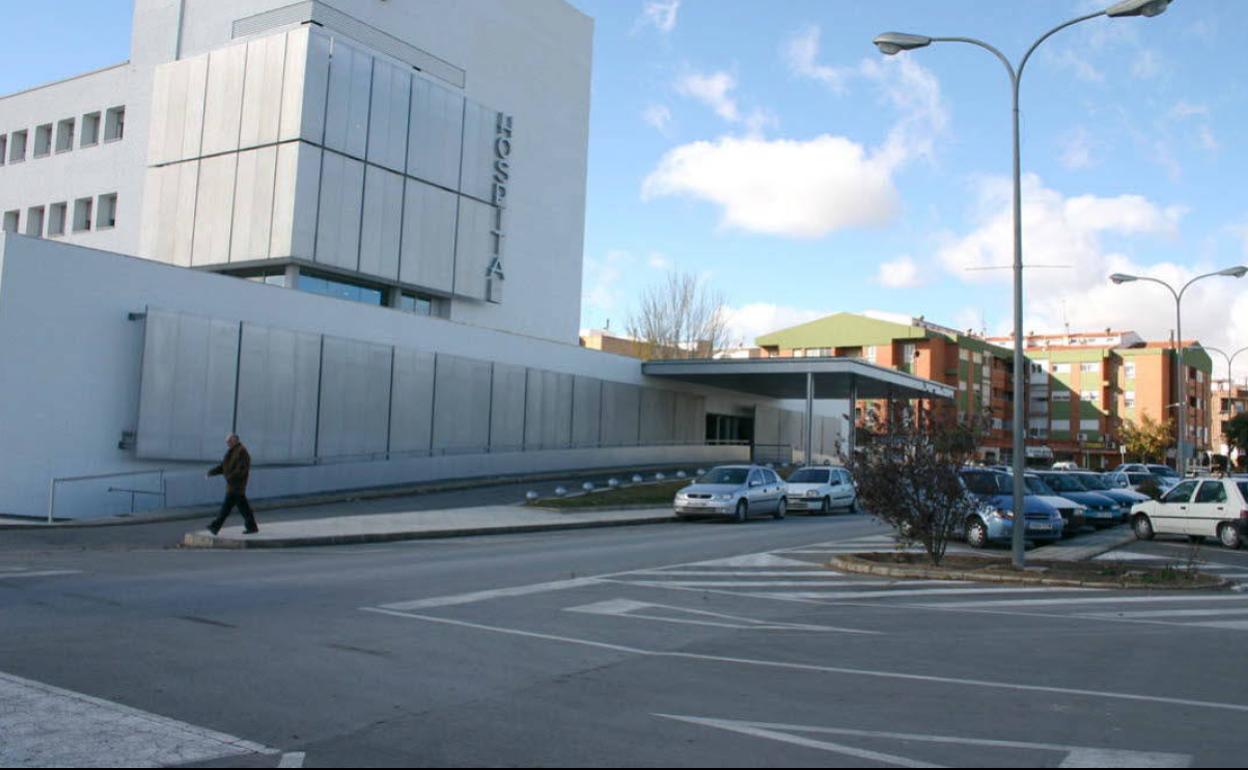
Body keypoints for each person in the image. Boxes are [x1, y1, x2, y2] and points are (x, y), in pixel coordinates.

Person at [206, 434, 258, 536]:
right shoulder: (232, 451)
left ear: (235, 440)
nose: (227, 443)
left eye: (229, 441)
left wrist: (230, 477)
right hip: (234, 486)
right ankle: (252, 527)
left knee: (225, 509)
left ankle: (215, 527)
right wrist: (211, 472)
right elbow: (223, 466)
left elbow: (242, 469)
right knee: (244, 509)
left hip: (236, 486)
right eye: (227, 441)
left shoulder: (241, 452)